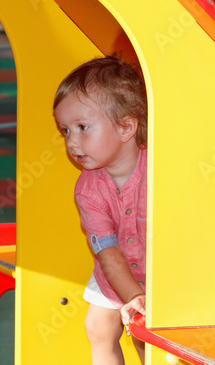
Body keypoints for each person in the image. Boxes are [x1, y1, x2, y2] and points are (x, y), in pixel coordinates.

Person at [53, 56, 147, 364]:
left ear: (126, 128)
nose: (72, 141)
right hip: (116, 271)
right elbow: (108, 254)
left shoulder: (158, 169)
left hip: (162, 270)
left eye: (82, 127)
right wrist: (134, 297)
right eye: (65, 130)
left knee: (148, 337)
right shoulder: (88, 188)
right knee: (98, 327)